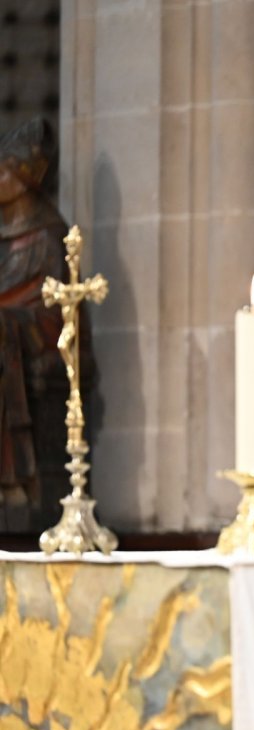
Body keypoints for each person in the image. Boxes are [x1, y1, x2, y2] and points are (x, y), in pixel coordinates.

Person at [0, 118, 73, 531]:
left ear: (25, 179)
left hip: (37, 341)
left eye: (3, 169)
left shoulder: (49, 236)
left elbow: (59, 308)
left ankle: (13, 483)